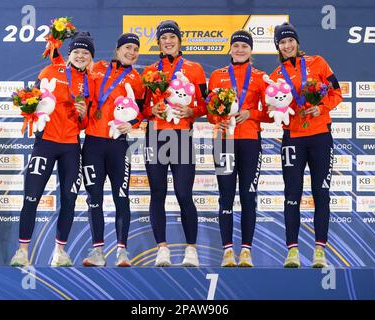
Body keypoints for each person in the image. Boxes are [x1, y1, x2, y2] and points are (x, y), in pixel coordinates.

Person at [10, 31, 95, 267]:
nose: (80, 56)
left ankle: (60, 252)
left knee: (69, 198)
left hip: (70, 146)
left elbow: (87, 123)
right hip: (45, 143)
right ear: (69, 54)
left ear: (90, 57)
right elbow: (31, 102)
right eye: (76, 51)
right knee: (31, 196)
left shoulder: (91, 81)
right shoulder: (50, 71)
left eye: (85, 53)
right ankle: (22, 252)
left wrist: (83, 115)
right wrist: (27, 107)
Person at [269, 22, 342, 268]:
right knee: (292, 194)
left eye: (290, 41)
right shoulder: (275, 76)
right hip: (292, 138)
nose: (287, 45)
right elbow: (273, 110)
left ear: (297, 42)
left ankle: (319, 250)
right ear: (277, 46)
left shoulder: (318, 62)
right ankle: (292, 251)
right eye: (282, 42)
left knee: (321, 193)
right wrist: (273, 110)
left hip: (320, 135)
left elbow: (337, 92)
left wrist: (320, 107)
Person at [142, 20, 208, 267]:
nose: (168, 41)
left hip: (181, 136)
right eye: (163, 38)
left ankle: (191, 250)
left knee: (183, 194)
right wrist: (152, 109)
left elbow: (206, 105)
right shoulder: (149, 70)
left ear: (180, 41)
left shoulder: (195, 68)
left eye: (172, 37)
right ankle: (162, 249)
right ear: (158, 42)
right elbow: (139, 109)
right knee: (157, 194)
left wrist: (192, 110)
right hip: (155, 136)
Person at [207, 30, 271, 267]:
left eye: (245, 45)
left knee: (248, 196)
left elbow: (272, 113)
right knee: (225, 197)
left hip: (250, 141)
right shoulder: (216, 76)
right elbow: (209, 110)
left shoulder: (261, 77)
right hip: (223, 140)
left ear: (251, 50)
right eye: (236, 45)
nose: (240, 49)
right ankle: (227, 252)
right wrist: (217, 119)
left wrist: (250, 113)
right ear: (230, 49)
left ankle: (246, 251)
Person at [81, 33, 144, 267]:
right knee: (94, 198)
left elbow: (143, 111)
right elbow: (74, 76)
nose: (132, 52)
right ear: (117, 49)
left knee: (121, 197)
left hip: (119, 145)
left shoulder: (137, 78)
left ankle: (122, 252)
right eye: (128, 47)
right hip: (93, 144)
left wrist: (134, 124)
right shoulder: (96, 68)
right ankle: (98, 252)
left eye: (135, 49)